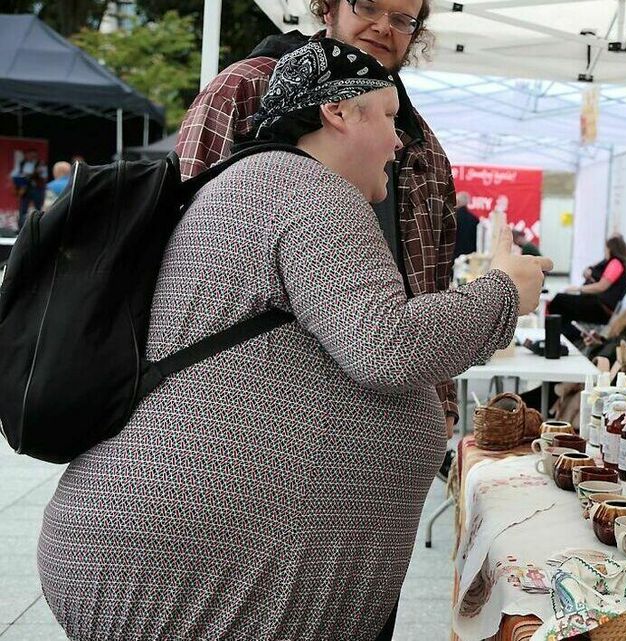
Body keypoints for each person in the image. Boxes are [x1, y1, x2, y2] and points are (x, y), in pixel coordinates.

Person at [37, 39, 551, 641]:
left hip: (172, 562)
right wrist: (502, 293)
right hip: (185, 573)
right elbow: (388, 347)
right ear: (339, 111)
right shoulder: (307, 192)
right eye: (388, 117)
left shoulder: (260, 183)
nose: (398, 142)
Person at [175, 0, 464, 439]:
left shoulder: (423, 149)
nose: (384, 27)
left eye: (403, 19)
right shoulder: (245, 90)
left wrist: (439, 399)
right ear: (327, 7)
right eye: (368, 5)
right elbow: (178, 247)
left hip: (371, 438)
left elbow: (431, 285)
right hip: (238, 421)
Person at [547, 234, 626, 342]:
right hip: (602, 307)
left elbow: (602, 286)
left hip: (602, 308)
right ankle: (568, 336)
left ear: (611, 249)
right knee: (563, 304)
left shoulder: (615, 263)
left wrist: (578, 289)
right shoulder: (615, 263)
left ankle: (571, 336)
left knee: (559, 300)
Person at [10, 149, 47, 228]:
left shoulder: (40, 164)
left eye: (33, 155)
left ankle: (39, 227)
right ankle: (20, 228)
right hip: (25, 189)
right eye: (29, 155)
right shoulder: (22, 164)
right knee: (23, 209)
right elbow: (14, 174)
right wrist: (22, 176)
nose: (30, 157)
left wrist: (37, 174)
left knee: (38, 209)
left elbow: (44, 176)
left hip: (37, 189)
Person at [454, 191, 479, 258]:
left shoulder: (453, 218)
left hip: (454, 255)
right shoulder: (475, 219)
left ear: (458, 202)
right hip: (470, 256)